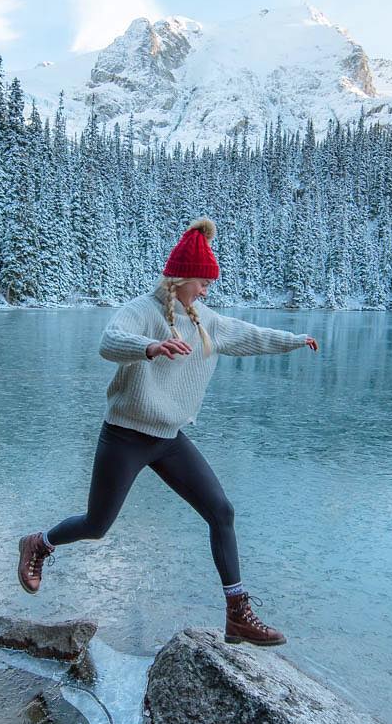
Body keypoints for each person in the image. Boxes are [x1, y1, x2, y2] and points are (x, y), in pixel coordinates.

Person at [18, 216, 319, 645]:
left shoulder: (207, 322)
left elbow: (252, 336)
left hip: (169, 439)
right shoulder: (141, 311)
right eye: (203, 283)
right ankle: (39, 543)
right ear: (181, 278)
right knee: (97, 524)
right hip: (125, 435)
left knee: (221, 511)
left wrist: (294, 339)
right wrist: (149, 347)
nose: (206, 291)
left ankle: (237, 614)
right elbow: (109, 342)